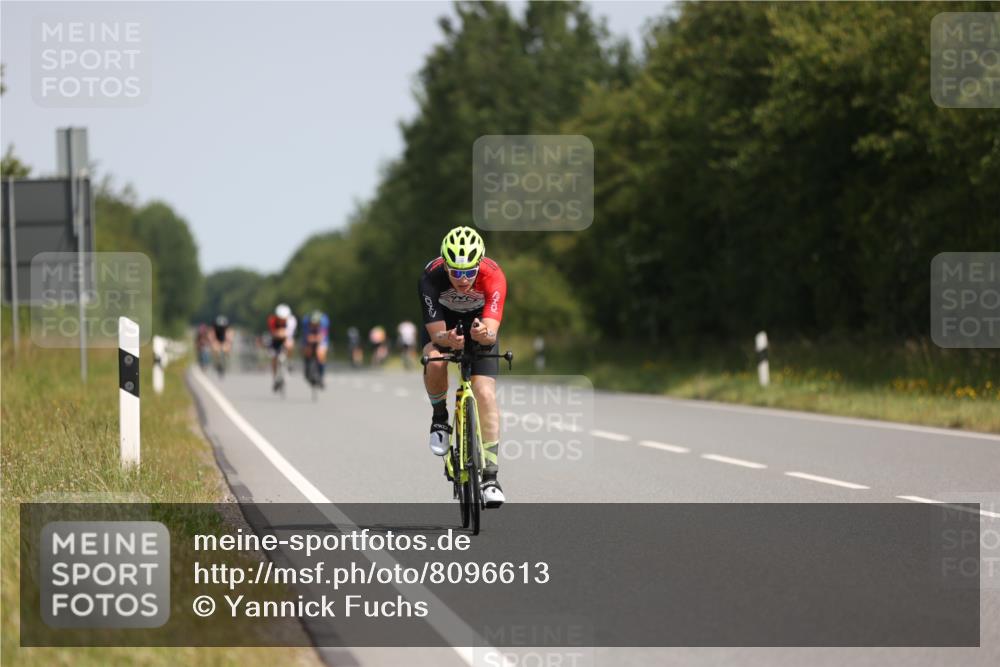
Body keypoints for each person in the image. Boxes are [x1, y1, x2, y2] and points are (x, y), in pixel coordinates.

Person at [419, 226, 507, 507]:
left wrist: (485, 335)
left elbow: (492, 330)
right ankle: (440, 419)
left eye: (469, 271)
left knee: (484, 393)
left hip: (479, 328)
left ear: (479, 263)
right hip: (445, 329)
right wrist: (447, 340)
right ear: (445, 264)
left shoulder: (493, 275)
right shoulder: (431, 276)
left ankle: (491, 477)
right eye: (455, 272)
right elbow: (435, 335)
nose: (462, 278)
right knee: (434, 359)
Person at [267, 304, 296, 392]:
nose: (282, 320)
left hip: (286, 338)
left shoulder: (292, 321)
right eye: (280, 318)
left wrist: (282, 334)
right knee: (274, 358)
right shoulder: (272, 320)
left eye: (284, 318)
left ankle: (290, 361)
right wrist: (278, 333)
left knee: (290, 344)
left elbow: (289, 334)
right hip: (275, 340)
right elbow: (272, 333)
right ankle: (275, 377)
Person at [301, 310, 330, 388]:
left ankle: (321, 376)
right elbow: (306, 337)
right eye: (312, 324)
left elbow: (322, 337)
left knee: (320, 353)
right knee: (307, 350)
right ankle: (307, 368)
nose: (314, 325)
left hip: (321, 338)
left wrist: (317, 339)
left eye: (316, 324)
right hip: (309, 337)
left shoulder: (324, 322)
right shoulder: (306, 322)